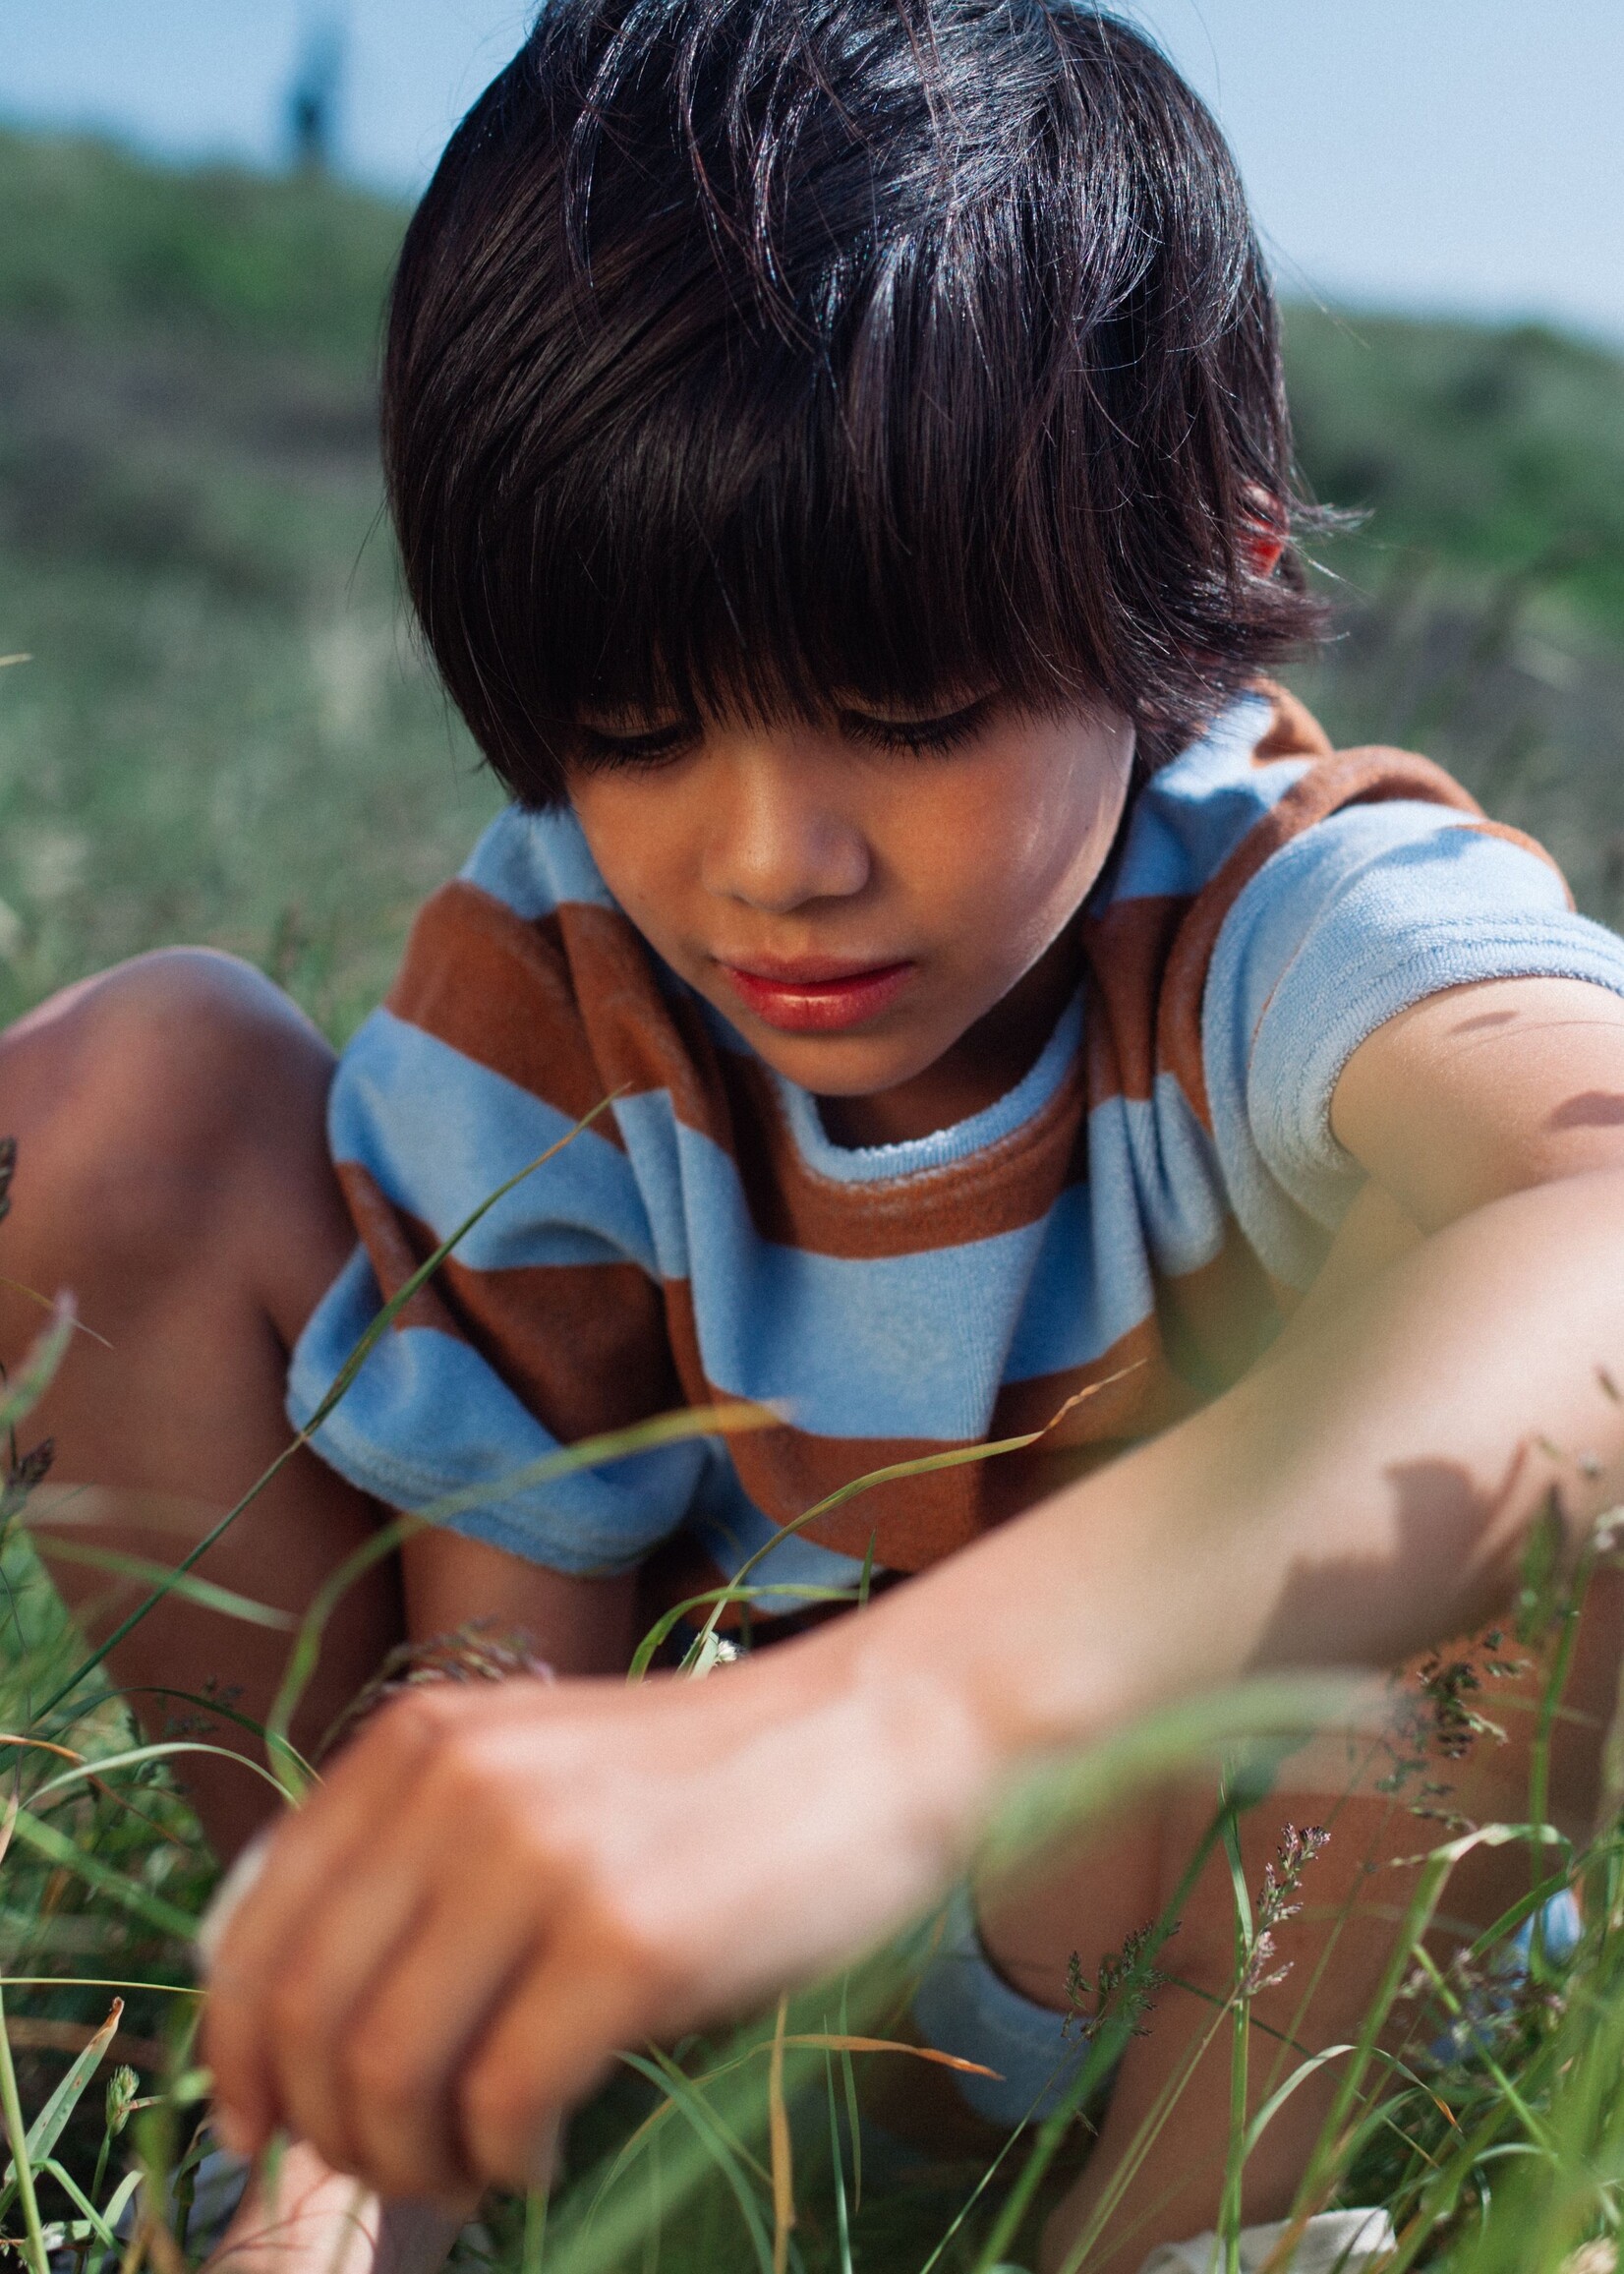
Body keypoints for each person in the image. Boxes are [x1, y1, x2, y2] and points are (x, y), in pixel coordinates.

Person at [6, 2, 1624, 2269]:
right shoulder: (559, 968)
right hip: (675, 1955)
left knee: (1570, 1457)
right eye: (637, 723)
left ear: (1192, 564)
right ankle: (375, 2068)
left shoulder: (1292, 909)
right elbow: (507, 1619)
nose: (774, 859)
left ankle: (1172, 2232)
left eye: (909, 714)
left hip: (1162, 1930)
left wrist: (895, 1730)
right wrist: (344, 2184)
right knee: (121, 1081)